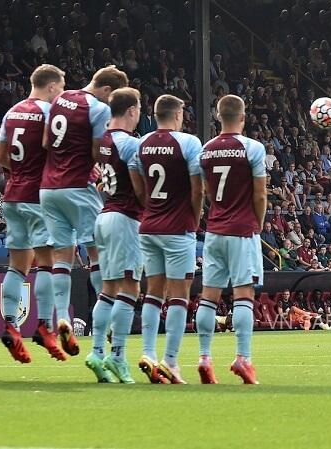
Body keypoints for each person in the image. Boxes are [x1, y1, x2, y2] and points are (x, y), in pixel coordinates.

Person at [39, 65, 128, 357]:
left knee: (62, 255)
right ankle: (109, 321)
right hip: (79, 186)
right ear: (106, 90)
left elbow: (44, 142)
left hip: (49, 188)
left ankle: (62, 317)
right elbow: (96, 151)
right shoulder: (97, 109)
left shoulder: (59, 99)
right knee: (96, 254)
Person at [0, 65, 67, 363]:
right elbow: (56, 152)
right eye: (61, 88)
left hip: (13, 196)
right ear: (51, 87)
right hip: (39, 197)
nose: (61, 94)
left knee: (17, 265)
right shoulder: (50, 113)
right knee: (47, 263)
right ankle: (45, 326)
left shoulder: (11, 113)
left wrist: (21, 172)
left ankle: (10, 323)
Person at [195, 95, 266, 385]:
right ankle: (243, 359)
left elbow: (204, 191)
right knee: (243, 295)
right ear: (243, 116)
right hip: (242, 230)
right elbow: (260, 194)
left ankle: (204, 358)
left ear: (217, 116)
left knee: (208, 296)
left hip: (215, 230)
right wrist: (258, 224)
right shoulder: (253, 148)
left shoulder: (206, 151)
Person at [136, 95, 203, 384]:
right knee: (178, 295)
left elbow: (139, 187)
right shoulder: (189, 143)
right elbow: (197, 190)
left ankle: (148, 353)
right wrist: (195, 218)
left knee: (153, 291)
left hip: (149, 227)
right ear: (178, 115)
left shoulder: (142, 143)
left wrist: (151, 210)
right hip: (178, 228)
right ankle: (171, 362)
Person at [84, 87, 146, 384]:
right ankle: (118, 355)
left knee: (108, 289)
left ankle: (97, 351)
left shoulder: (102, 141)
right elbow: (139, 188)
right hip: (125, 219)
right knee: (130, 288)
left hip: (104, 216)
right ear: (132, 110)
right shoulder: (130, 144)